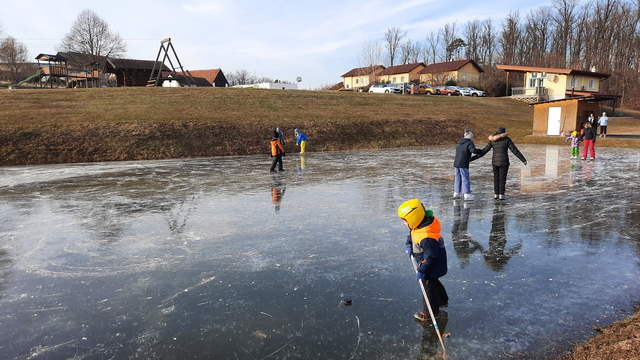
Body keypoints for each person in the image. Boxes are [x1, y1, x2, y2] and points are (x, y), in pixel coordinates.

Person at [397, 199, 449, 323]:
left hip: (431, 264)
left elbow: (430, 256)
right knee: (434, 281)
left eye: (405, 221)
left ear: (413, 219)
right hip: (428, 262)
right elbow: (412, 234)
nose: (404, 224)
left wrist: (421, 269)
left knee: (428, 286)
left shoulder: (427, 236)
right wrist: (409, 244)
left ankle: (430, 313)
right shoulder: (419, 225)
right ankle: (442, 300)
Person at [471, 127, 527, 200]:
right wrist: (523, 160)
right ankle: (501, 194)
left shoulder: (492, 140)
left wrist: (471, 159)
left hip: (495, 162)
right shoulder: (507, 140)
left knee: (496, 178)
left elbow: (484, 151)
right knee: (502, 178)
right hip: (504, 162)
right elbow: (515, 150)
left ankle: (496, 194)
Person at [453, 129, 481, 200]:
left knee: (458, 178)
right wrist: (480, 151)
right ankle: (467, 194)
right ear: (470, 137)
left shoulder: (459, 144)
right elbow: (473, 151)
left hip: (456, 163)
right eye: (472, 138)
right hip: (463, 163)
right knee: (465, 178)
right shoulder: (469, 143)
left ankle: (456, 192)